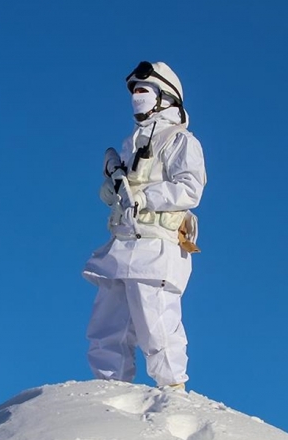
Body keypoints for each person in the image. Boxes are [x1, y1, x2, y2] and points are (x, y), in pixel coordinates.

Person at [83, 61, 207, 391]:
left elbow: (191, 187)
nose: (136, 97)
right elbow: (120, 192)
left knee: (157, 323)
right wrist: (112, 189)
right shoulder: (131, 143)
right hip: (122, 244)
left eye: (143, 90)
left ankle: (172, 391)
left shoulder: (180, 140)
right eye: (134, 91)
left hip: (156, 246)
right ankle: (108, 391)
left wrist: (146, 197)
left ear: (164, 97)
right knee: (107, 325)